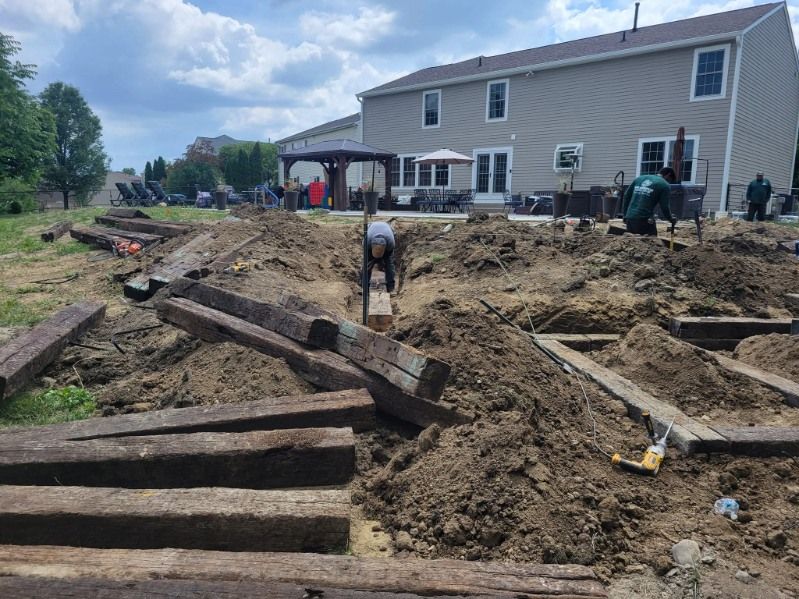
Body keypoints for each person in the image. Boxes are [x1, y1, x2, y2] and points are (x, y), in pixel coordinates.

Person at [622, 166, 677, 236]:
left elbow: (626, 196)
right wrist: (670, 218)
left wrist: (625, 215)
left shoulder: (639, 178)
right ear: (668, 175)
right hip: (644, 219)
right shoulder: (664, 185)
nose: (669, 182)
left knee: (632, 242)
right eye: (670, 180)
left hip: (630, 218)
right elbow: (664, 206)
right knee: (652, 242)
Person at [366, 221, 396, 292]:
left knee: (389, 265)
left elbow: (389, 255)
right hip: (372, 230)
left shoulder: (391, 243)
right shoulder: (367, 242)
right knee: (366, 265)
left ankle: (390, 287)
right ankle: (364, 286)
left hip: (387, 233)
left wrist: (384, 262)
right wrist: (370, 263)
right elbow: (365, 254)